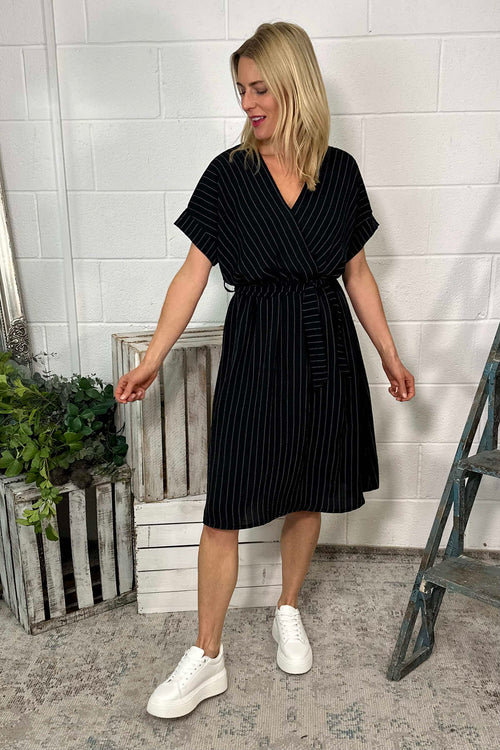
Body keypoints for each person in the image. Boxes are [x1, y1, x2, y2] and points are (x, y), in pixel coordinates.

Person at [114, 21, 415, 720]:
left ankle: (287, 607)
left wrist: (389, 353)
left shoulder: (339, 172)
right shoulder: (230, 174)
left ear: (294, 86)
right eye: (240, 90)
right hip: (256, 346)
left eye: (259, 89)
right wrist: (154, 357)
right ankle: (207, 654)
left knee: (307, 490)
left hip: (324, 344)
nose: (247, 103)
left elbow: (357, 273)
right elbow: (192, 275)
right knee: (227, 504)